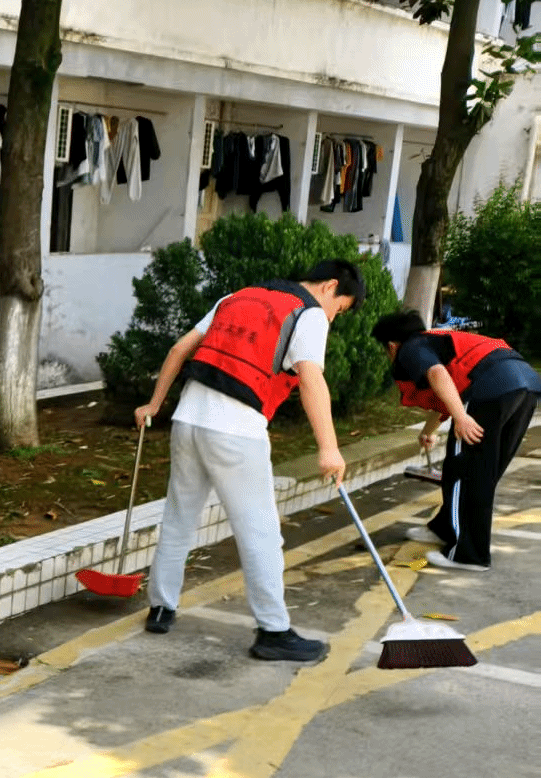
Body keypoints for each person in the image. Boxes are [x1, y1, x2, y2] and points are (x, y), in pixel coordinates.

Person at [134, 259, 364, 661]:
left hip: (187, 420)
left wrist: (154, 404)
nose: (333, 317)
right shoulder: (308, 313)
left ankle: (160, 608)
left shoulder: (237, 296)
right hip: (236, 429)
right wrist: (329, 448)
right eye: (339, 309)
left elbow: (179, 348)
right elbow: (311, 379)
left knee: (179, 518)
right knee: (261, 533)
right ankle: (273, 631)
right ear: (330, 287)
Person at [372, 309, 539, 571]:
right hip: (526, 384)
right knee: (482, 472)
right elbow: (448, 388)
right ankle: (444, 528)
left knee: (464, 471)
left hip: (489, 387)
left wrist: (461, 417)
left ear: (392, 346)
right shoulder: (436, 340)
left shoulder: (411, 348)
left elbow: (438, 375)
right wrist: (429, 430)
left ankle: (468, 555)